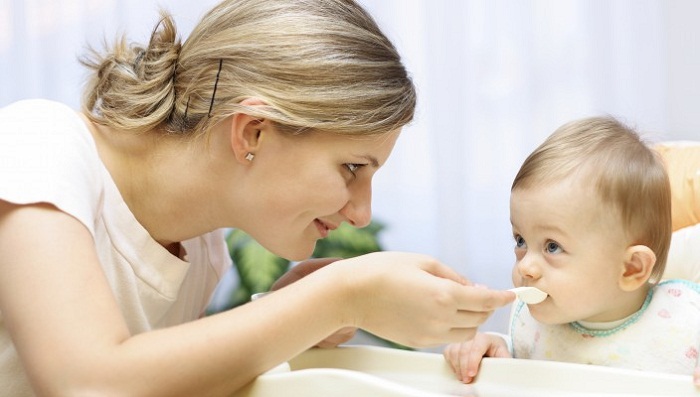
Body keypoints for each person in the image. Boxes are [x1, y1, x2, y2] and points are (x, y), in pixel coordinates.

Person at [0, 1, 515, 395]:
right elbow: (87, 383)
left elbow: (158, 381)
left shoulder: (200, 246)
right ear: (253, 131)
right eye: (352, 168)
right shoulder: (39, 145)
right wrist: (335, 296)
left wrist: (289, 315)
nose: (361, 212)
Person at [443, 117, 700, 385]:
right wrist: (493, 349)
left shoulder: (687, 320)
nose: (525, 267)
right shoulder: (534, 328)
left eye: (552, 246)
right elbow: (524, 371)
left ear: (631, 268)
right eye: (520, 241)